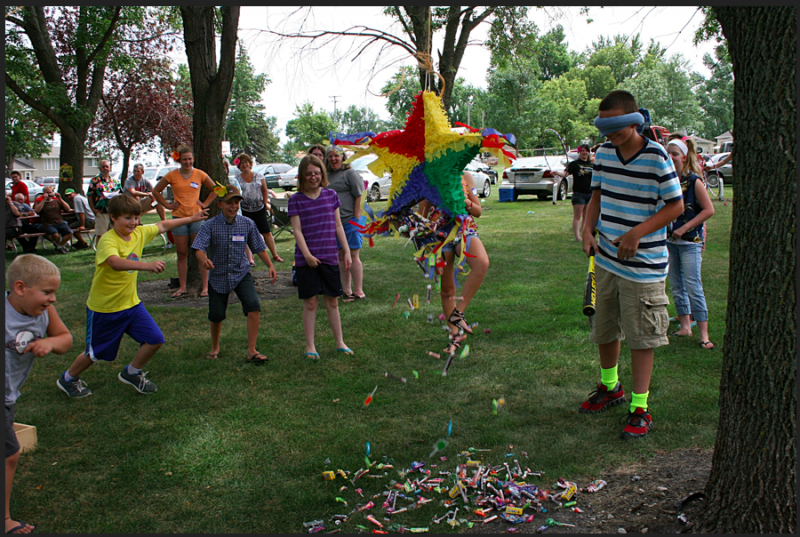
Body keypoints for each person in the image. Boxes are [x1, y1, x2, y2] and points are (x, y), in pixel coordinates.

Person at [580, 90, 684, 439]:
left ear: (633, 120)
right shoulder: (604, 153)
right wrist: (587, 230)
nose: (610, 135)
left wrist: (637, 233)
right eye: (605, 128)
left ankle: (640, 406)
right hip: (607, 259)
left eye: (617, 127)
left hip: (644, 265)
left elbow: (675, 206)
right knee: (605, 326)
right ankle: (611, 387)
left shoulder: (656, 157)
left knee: (642, 335)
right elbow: (596, 196)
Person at [56, 194, 209, 398]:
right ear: (113, 217)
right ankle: (68, 379)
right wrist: (146, 266)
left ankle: (132, 372)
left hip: (131, 305)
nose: (134, 223)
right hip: (105, 309)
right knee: (95, 353)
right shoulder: (108, 240)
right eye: (127, 218)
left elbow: (163, 225)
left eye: (136, 217)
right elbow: (114, 262)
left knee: (155, 339)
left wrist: (192, 218)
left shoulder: (138, 233)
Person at [6, 254, 73, 534]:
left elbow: (66, 339)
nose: (53, 299)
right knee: (9, 455)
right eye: (47, 292)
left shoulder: (44, 312)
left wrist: (49, 342)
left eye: (54, 292)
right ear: (21, 288)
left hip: (8, 397)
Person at [192, 184, 278, 363]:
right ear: (220, 205)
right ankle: (215, 347)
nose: (233, 207)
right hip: (218, 275)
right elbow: (198, 247)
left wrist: (270, 265)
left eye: (236, 203)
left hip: (241, 273)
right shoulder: (210, 225)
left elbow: (259, 247)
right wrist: (203, 259)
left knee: (253, 306)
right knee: (216, 314)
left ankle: (252, 350)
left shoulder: (247, 223)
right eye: (229, 203)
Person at [288, 155, 353, 359]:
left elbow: (338, 225)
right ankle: (310, 346)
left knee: (332, 301)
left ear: (322, 174)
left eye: (316, 173)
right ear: (302, 176)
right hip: (306, 259)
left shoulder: (331, 195)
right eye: (308, 174)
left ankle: (340, 342)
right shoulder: (295, 200)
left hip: (330, 256)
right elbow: (297, 231)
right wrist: (307, 255)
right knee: (310, 303)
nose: (313, 177)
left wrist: (347, 250)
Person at [418, 171, 490, 354]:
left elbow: (477, 211)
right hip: (438, 235)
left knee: (481, 263)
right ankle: (455, 337)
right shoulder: (428, 178)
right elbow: (422, 216)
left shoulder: (465, 176)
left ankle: (458, 313)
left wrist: (460, 198)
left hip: (463, 229)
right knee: (447, 289)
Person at [664, 138, 716, 350]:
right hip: (670, 241)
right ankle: (685, 326)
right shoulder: (667, 181)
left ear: (684, 157)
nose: (671, 157)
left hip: (689, 242)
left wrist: (684, 228)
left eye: (675, 153)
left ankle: (704, 334)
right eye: (668, 153)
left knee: (693, 286)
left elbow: (708, 210)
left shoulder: (694, 181)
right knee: (676, 284)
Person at [152, 144, 218, 298]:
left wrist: (205, 204)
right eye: (184, 160)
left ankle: (205, 287)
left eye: (190, 159)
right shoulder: (172, 175)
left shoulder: (200, 174)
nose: (187, 162)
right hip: (179, 219)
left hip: (197, 217)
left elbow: (216, 189)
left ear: (193, 159)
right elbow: (156, 191)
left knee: (200, 251)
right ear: (179, 160)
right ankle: (182, 287)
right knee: (182, 253)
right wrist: (168, 205)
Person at [325, 145, 366, 301]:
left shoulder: (350, 174)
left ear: (343, 157)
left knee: (354, 255)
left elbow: (359, 196)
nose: (333, 159)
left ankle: (359, 291)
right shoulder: (327, 175)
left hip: (351, 221)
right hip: (334, 223)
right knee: (340, 256)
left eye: (336, 155)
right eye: (330, 156)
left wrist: (356, 219)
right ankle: (346, 291)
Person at [233, 153, 284, 264]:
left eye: (246, 162)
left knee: (266, 232)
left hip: (259, 209)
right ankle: (250, 257)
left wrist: (265, 203)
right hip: (245, 209)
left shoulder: (259, 176)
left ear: (250, 164)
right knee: (246, 233)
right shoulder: (237, 179)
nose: (244, 165)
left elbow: (265, 190)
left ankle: (275, 255)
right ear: (239, 166)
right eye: (241, 163)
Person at [554, 144, 594, 241]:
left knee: (587, 216)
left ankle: (585, 236)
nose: (584, 153)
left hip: (590, 194)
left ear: (589, 152)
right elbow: (565, 173)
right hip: (578, 194)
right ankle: (577, 237)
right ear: (579, 152)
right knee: (577, 216)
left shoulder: (592, 165)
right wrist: (556, 172)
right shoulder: (574, 164)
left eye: (586, 151)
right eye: (582, 151)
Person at [33, 186, 88, 252]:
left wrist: (60, 198)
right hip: (48, 224)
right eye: (47, 193)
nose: (49, 194)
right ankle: (60, 247)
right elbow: (37, 210)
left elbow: (67, 208)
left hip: (60, 222)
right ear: (43, 193)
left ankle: (59, 246)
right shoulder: (40, 202)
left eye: (50, 192)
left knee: (70, 233)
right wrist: (44, 199)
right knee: (55, 235)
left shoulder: (57, 201)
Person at [86, 159, 120, 241]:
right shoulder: (95, 180)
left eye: (106, 166)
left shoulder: (115, 181)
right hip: (101, 211)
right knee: (101, 235)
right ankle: (100, 252)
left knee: (114, 234)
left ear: (110, 168)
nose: (105, 168)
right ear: (100, 168)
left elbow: (120, 194)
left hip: (113, 211)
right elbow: (90, 196)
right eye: (103, 167)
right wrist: (93, 209)